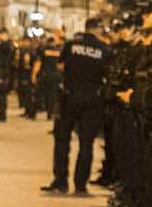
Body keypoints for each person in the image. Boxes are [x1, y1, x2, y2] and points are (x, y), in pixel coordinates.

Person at [42, 18, 110, 195]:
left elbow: (61, 66)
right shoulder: (104, 50)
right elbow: (106, 74)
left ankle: (60, 180)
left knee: (62, 140)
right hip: (91, 100)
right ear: (97, 29)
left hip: (69, 97)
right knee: (86, 143)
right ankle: (80, 184)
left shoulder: (71, 45)